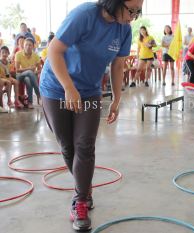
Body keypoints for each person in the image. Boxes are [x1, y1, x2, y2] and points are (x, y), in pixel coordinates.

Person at [39, 0, 142, 231]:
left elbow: (118, 65)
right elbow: (55, 51)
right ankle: (84, 188)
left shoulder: (124, 29)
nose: (133, 17)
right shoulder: (84, 15)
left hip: (89, 91)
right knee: (68, 147)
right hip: (56, 88)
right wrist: (68, 87)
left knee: (85, 145)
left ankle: (81, 200)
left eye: (138, 11)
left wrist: (117, 98)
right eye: (131, 10)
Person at [15, 38, 41, 109]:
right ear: (23, 45)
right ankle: (38, 93)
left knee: (28, 80)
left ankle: (30, 102)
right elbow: (17, 70)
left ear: (33, 46)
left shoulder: (35, 55)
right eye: (26, 45)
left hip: (31, 76)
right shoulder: (18, 54)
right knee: (29, 72)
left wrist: (35, 72)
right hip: (20, 75)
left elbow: (40, 69)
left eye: (30, 45)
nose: (28, 46)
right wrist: (29, 69)